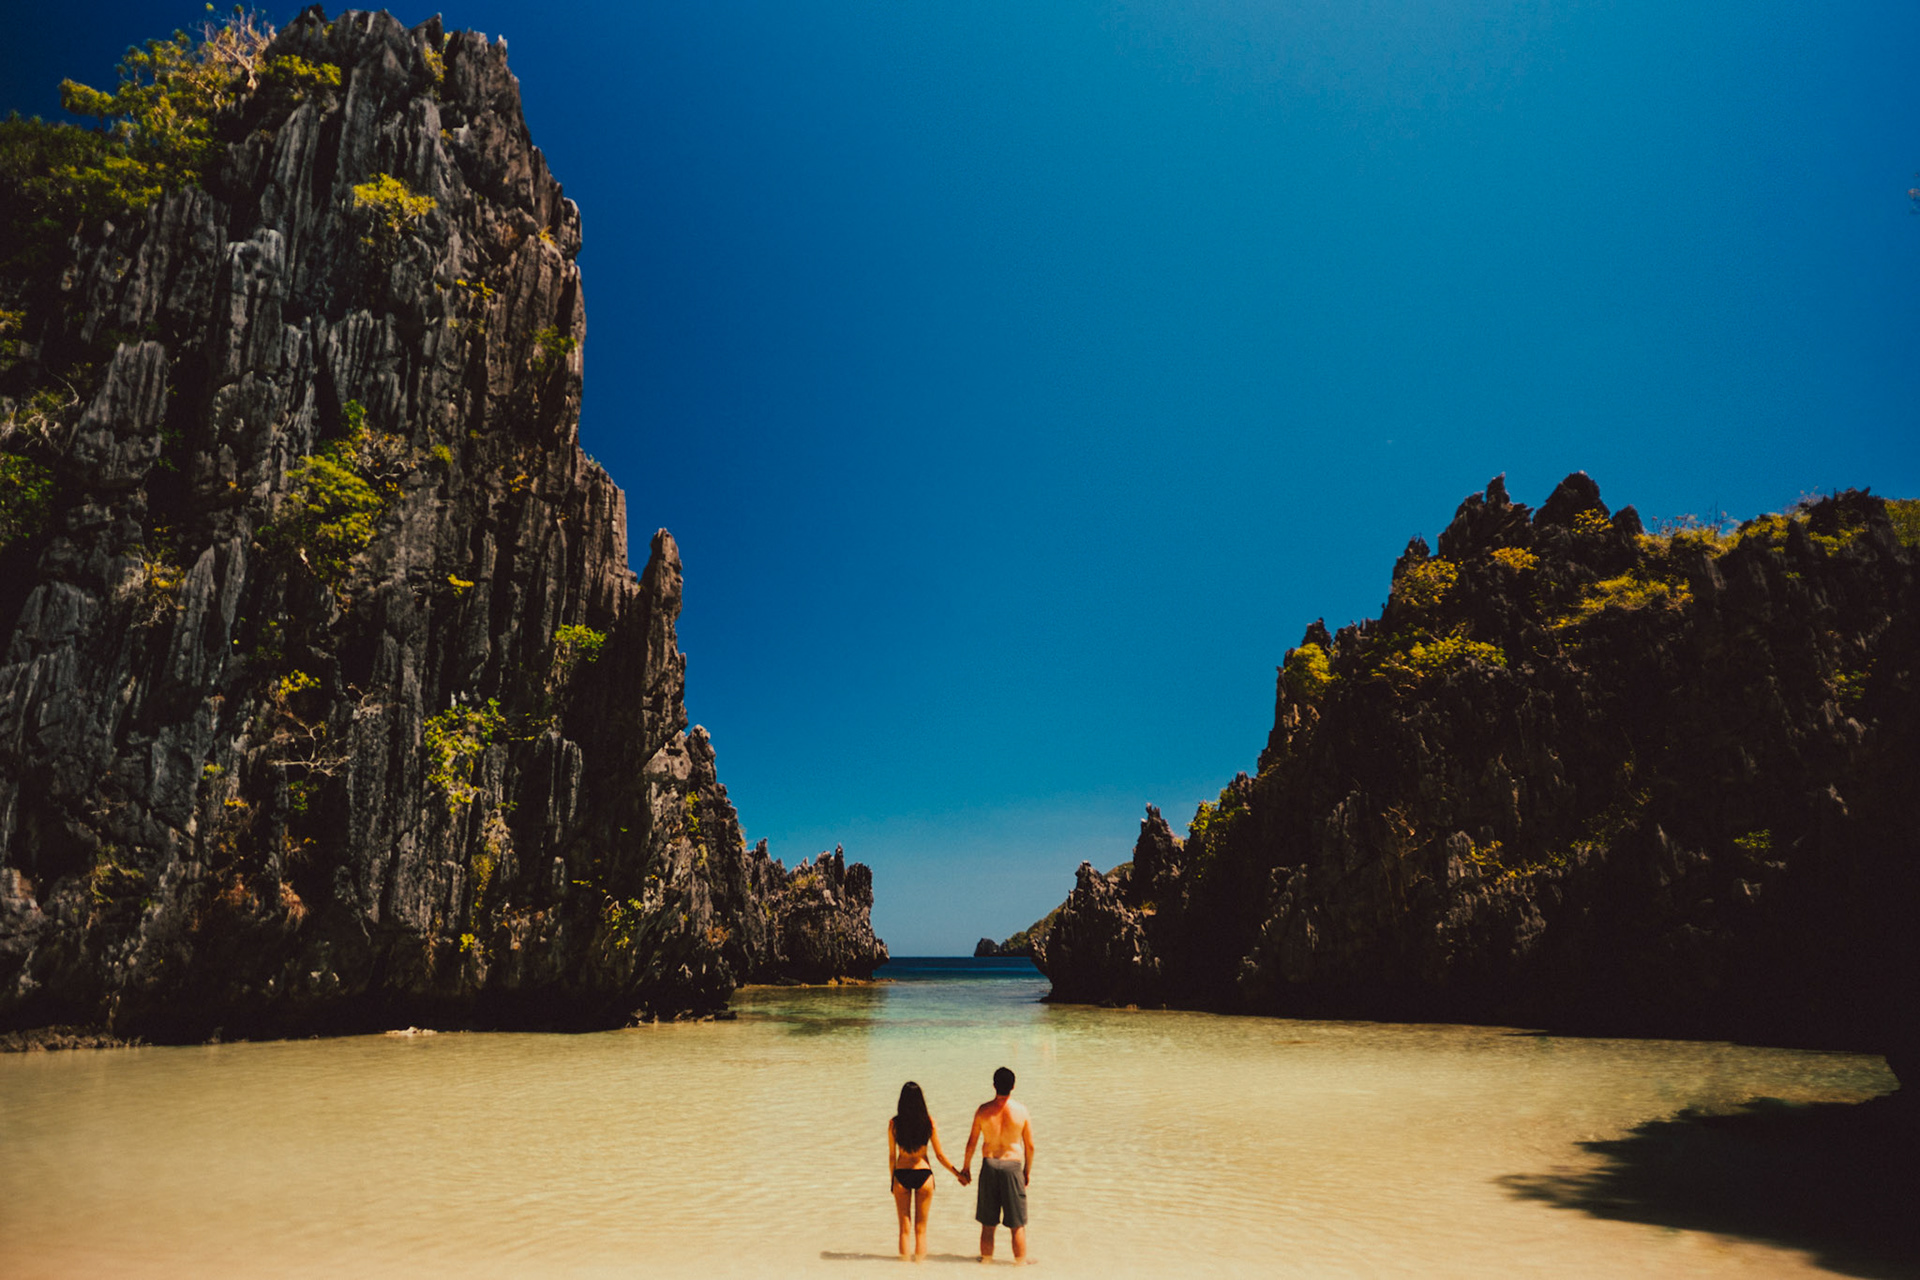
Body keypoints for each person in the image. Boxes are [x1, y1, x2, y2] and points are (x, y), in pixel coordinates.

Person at [961, 1066, 1034, 1264]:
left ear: (994, 1085)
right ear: (1014, 1086)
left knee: (988, 1223)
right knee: (1017, 1224)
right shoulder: (1021, 1111)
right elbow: (1030, 1146)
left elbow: (972, 1143)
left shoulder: (983, 1110)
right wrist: (1026, 1172)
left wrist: (965, 1168)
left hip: (990, 1164)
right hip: (1013, 1165)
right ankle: (1020, 1264)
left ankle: (986, 1262)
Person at [888, 1081, 963, 1260]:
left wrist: (893, 1180)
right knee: (921, 1230)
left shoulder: (894, 1123)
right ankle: (921, 1272)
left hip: (902, 1173)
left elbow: (892, 1156)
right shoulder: (929, 1122)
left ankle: (903, 1271)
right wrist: (958, 1174)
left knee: (904, 1230)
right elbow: (939, 1155)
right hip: (923, 1173)